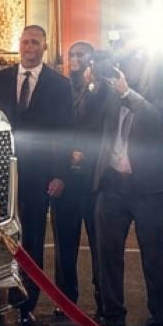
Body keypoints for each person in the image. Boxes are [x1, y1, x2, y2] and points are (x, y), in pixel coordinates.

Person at [0, 25, 73, 326]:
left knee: (33, 240)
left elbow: (66, 133)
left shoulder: (59, 85)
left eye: (35, 42)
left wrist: (61, 174)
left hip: (40, 175)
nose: (29, 47)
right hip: (2, 174)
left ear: (44, 46)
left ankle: (26, 303)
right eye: (25, 42)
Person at [90, 51, 163, 326]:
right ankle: (111, 316)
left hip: (151, 187)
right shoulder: (110, 91)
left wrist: (128, 92)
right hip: (111, 182)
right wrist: (93, 80)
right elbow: (86, 117)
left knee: (156, 256)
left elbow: (159, 122)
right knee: (107, 255)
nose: (130, 67)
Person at [55, 40, 106, 309]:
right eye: (72, 55)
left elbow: (102, 128)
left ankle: (103, 299)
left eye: (81, 55)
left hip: (94, 177)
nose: (75, 59)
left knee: (100, 243)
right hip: (65, 175)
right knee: (64, 244)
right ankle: (65, 300)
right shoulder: (60, 88)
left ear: (92, 59)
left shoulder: (101, 89)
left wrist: (85, 152)